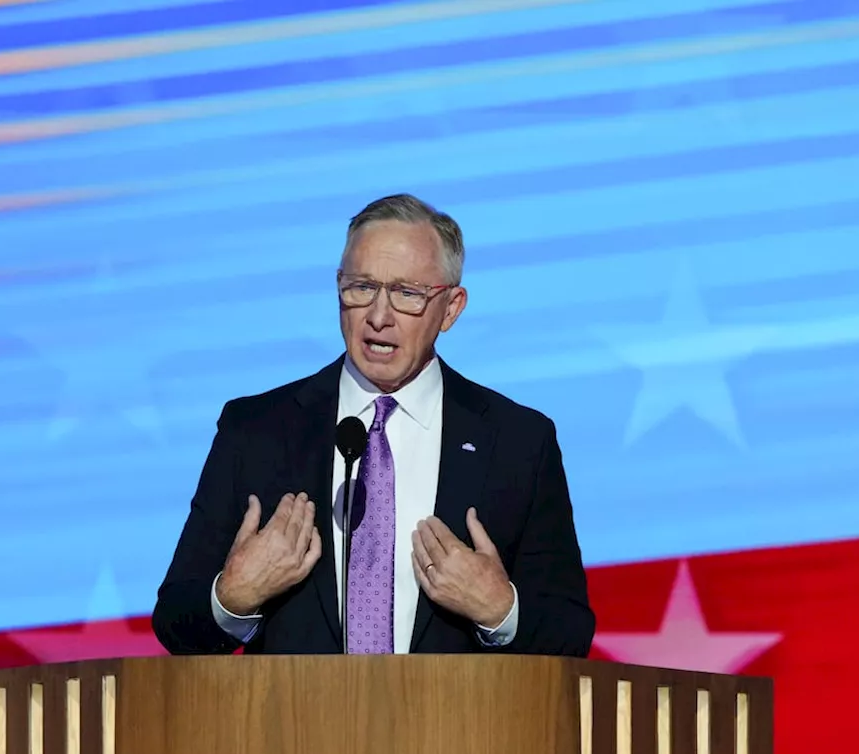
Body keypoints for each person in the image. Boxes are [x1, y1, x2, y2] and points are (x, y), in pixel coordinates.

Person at [151, 194, 595, 656]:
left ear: (451, 309)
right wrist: (233, 599)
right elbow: (175, 624)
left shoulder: (519, 443)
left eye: (407, 295)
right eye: (361, 287)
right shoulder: (256, 431)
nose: (378, 317)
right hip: (293, 725)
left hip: (457, 725)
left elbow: (569, 633)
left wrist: (500, 610)